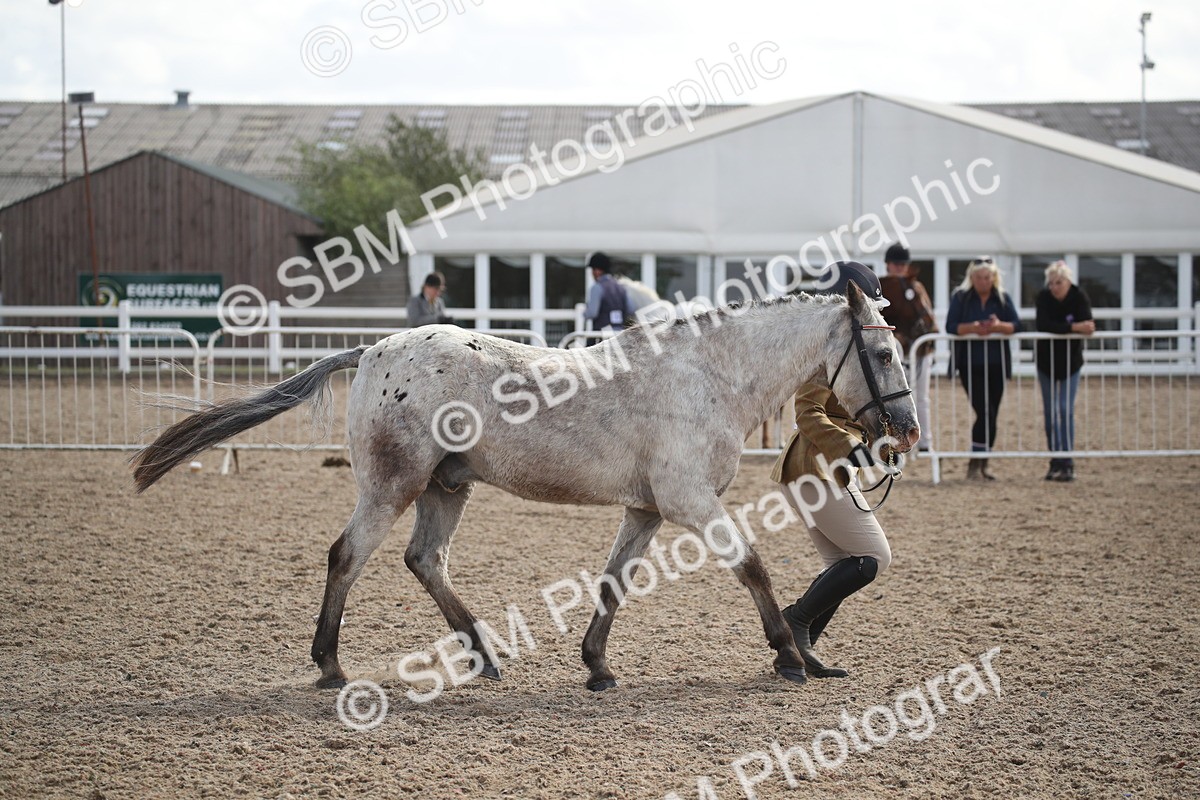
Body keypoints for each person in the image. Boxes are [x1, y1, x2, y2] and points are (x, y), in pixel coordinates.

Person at [773, 261, 899, 680]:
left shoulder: (851, 354)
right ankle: (794, 623)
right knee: (873, 557)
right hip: (814, 469)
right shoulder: (823, 357)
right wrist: (850, 448)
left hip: (822, 471)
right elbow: (808, 413)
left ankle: (796, 650)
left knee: (842, 563)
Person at [944, 256, 1021, 480]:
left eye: (987, 277)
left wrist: (999, 326)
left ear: (993, 277)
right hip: (970, 363)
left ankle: (982, 461)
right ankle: (975, 461)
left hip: (997, 363)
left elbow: (1017, 324)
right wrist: (973, 328)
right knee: (983, 411)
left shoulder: (1002, 298)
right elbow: (951, 326)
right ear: (972, 278)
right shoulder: (961, 298)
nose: (983, 281)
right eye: (978, 277)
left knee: (992, 414)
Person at [1035, 260, 1095, 482]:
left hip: (1070, 363)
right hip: (1046, 363)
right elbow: (1044, 324)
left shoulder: (1079, 297)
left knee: (1065, 409)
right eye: (1051, 283)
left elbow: (1088, 324)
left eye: (1058, 282)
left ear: (1068, 281)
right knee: (1051, 413)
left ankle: (1067, 460)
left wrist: (1075, 328)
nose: (1054, 287)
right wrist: (1073, 328)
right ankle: (1055, 459)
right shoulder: (1043, 298)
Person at [879, 243, 937, 452]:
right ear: (888, 264)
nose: (900, 267)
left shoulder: (916, 287)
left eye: (903, 263)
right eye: (896, 263)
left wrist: (929, 339)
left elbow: (928, 317)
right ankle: (895, 441)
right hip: (893, 352)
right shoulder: (882, 287)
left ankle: (925, 442)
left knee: (921, 397)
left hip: (919, 349)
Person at [584, 252, 632, 332]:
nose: (592, 273)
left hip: (601, 335)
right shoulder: (621, 287)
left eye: (593, 269)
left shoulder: (597, 287)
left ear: (597, 270)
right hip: (619, 335)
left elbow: (592, 313)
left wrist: (583, 313)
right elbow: (630, 309)